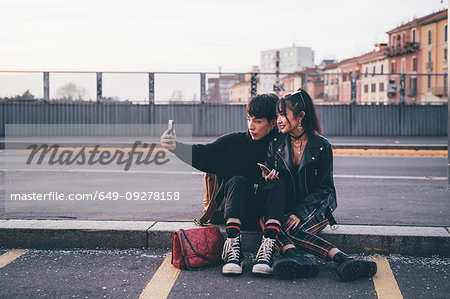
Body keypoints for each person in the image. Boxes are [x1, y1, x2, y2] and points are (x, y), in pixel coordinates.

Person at [160, 94, 286, 276]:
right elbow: (203, 154)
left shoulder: (283, 146)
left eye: (257, 121)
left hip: (267, 216)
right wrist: (175, 147)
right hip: (235, 214)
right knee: (237, 180)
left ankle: (267, 251)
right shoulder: (233, 143)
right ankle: (233, 248)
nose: (251, 126)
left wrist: (276, 177)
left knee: (277, 185)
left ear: (273, 123)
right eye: (249, 119)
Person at [262, 89, 377, 281]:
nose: (279, 120)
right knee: (268, 223)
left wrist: (300, 212)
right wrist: (268, 178)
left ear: (300, 116)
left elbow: (325, 188)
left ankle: (320, 258)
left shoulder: (322, 146)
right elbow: (267, 174)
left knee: (290, 230)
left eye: (283, 115)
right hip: (285, 207)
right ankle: (330, 260)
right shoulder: (276, 143)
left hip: (315, 207)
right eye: (277, 115)